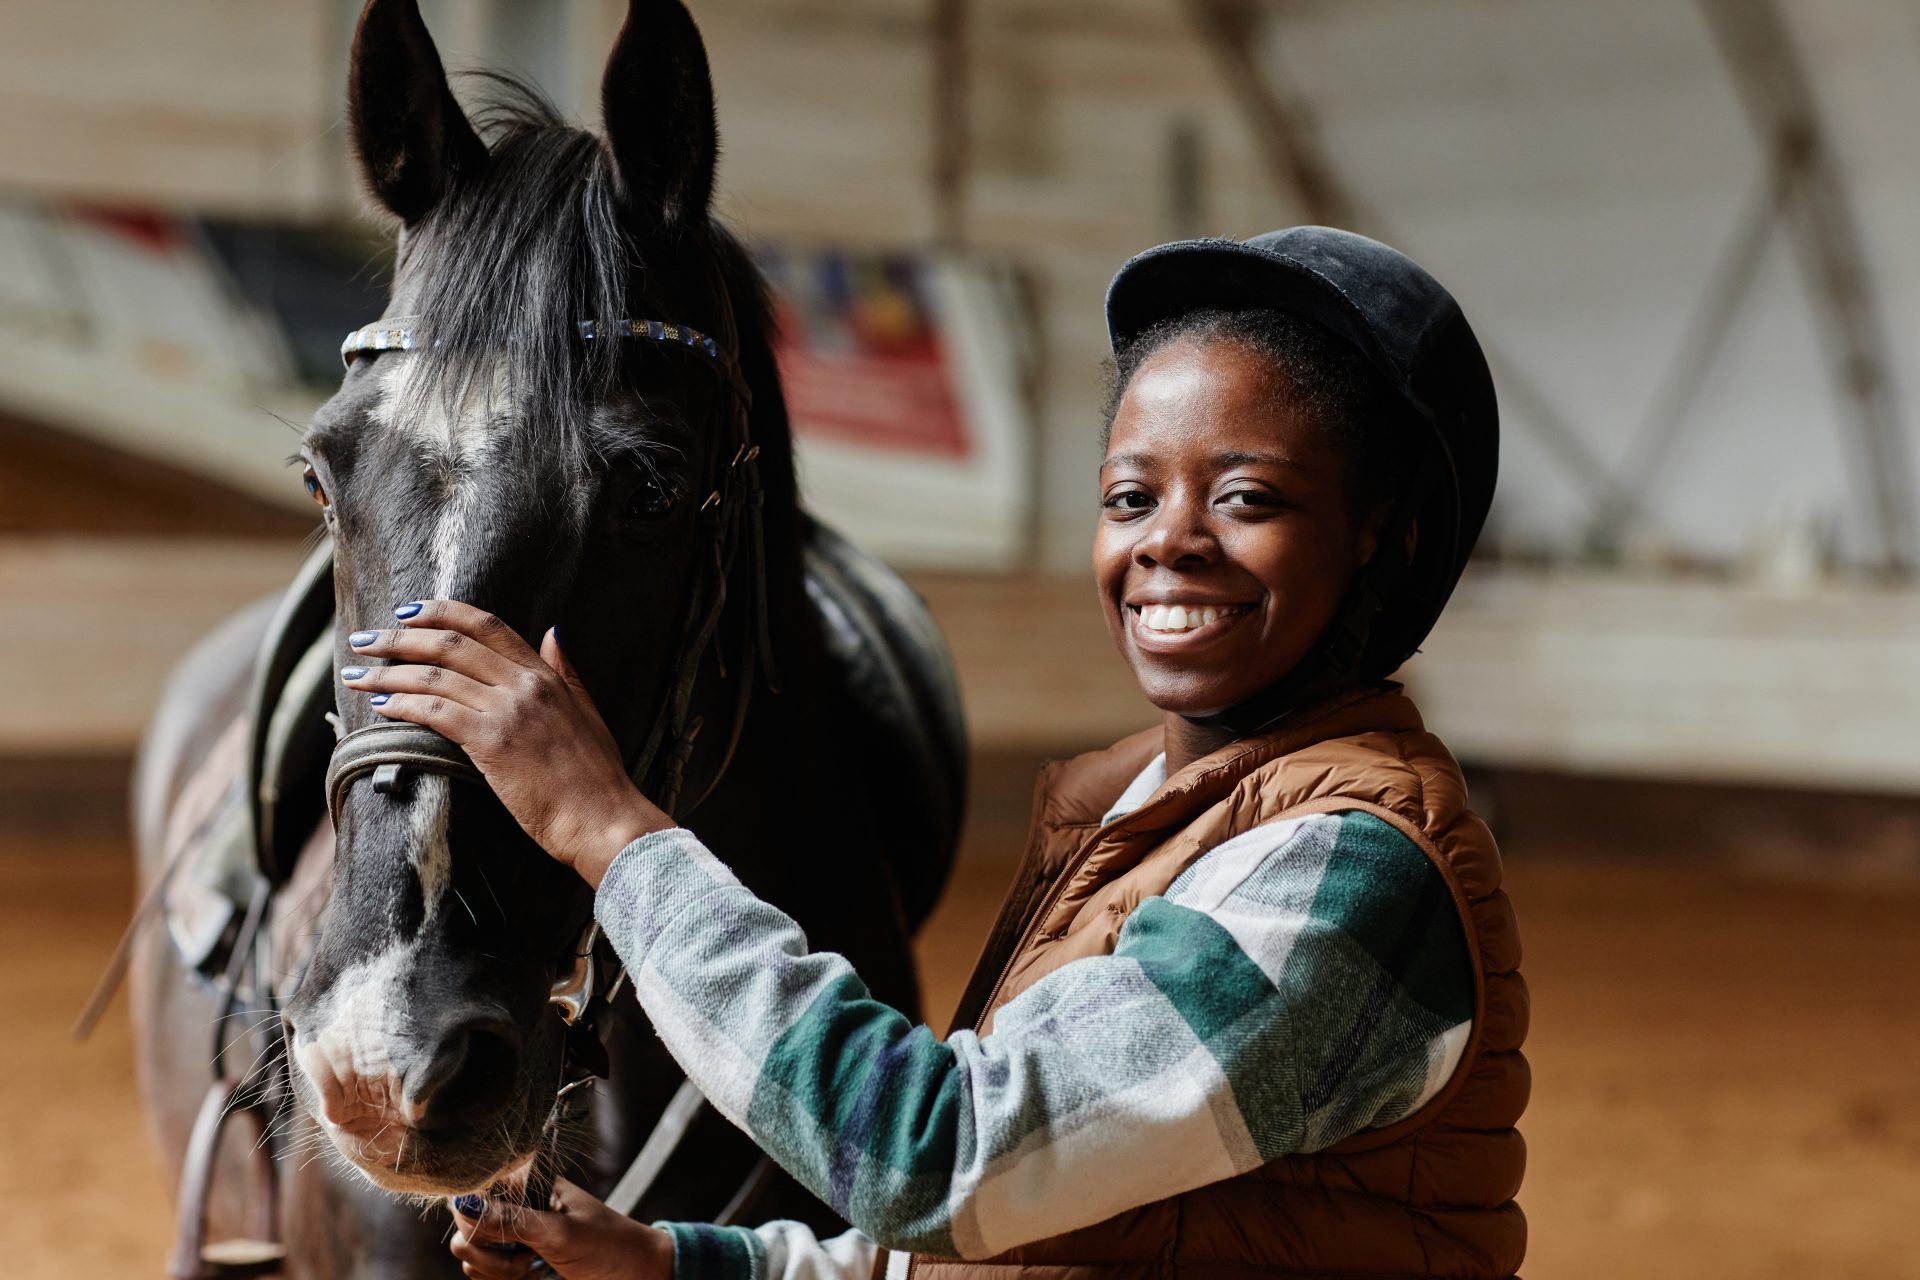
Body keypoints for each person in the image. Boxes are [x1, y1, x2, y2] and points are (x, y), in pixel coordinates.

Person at [340, 227, 1528, 1280]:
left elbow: (947, 1158)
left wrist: (612, 829)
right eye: (1130, 495)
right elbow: (1035, 1227)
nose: (1172, 539)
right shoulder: (1138, 808)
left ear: (1386, 541)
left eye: (1248, 496)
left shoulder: (1351, 876)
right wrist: (673, 1259)